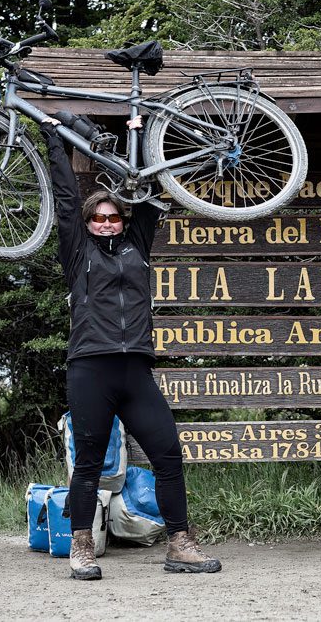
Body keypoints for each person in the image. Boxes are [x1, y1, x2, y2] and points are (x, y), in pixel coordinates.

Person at [40, 116, 221, 580]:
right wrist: (52, 137)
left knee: (167, 454)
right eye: (98, 217)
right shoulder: (79, 250)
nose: (106, 222)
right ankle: (82, 547)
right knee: (89, 464)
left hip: (136, 371)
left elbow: (145, 190)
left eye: (113, 216)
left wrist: (138, 133)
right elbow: (64, 199)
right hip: (90, 369)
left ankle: (180, 544)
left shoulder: (138, 244)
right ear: (89, 224)